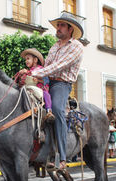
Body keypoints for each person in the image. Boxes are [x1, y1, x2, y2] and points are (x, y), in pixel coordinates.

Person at [31, 12, 84, 170]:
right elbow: (47, 65)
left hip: (62, 84)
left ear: (70, 29)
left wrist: (36, 73)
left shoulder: (77, 47)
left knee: (56, 110)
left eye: (61, 25)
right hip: (48, 80)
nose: (58, 28)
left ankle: (61, 156)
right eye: (58, 25)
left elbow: (59, 66)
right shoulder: (54, 46)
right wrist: (32, 75)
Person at [18, 48, 54, 121]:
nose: (26, 61)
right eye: (25, 59)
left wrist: (38, 80)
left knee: (46, 94)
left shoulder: (41, 69)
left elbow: (46, 80)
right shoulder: (29, 70)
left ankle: (49, 111)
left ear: (35, 60)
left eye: (28, 58)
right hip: (31, 89)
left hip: (41, 89)